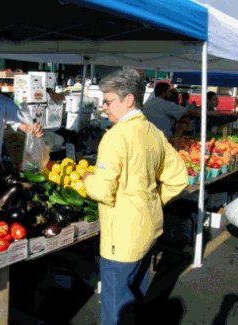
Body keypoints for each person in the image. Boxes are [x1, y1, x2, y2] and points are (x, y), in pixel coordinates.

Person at [81, 68, 188, 325]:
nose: (104, 107)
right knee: (135, 296)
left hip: (123, 237)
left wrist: (87, 179)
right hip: (149, 227)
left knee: (115, 307)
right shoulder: (153, 131)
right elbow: (178, 178)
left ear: (128, 99)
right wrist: (151, 201)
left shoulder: (115, 136)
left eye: (108, 101)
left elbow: (102, 190)